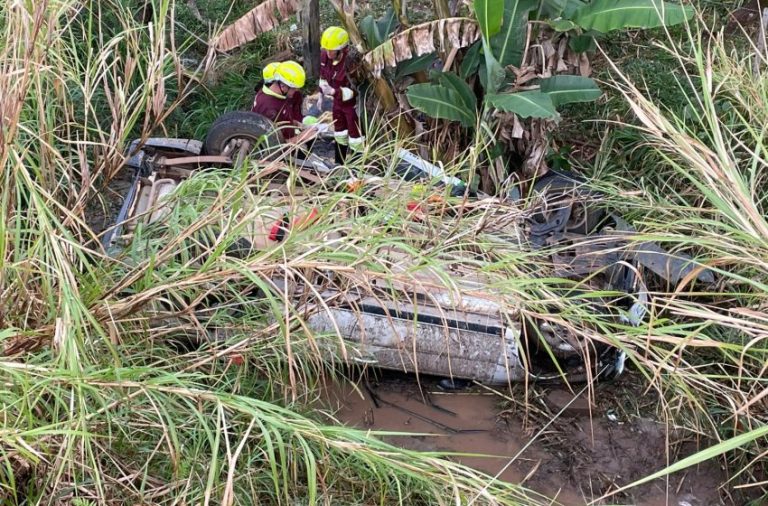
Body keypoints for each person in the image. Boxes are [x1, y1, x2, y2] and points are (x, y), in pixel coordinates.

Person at [319, 26, 364, 164]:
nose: (328, 53)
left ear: (341, 49)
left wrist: (334, 92)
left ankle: (357, 164)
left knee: (355, 137)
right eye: (326, 49)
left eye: (331, 50)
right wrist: (321, 94)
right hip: (337, 104)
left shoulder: (351, 62)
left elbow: (355, 90)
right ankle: (339, 163)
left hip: (351, 106)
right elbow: (323, 75)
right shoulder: (325, 55)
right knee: (339, 132)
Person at [251, 60, 305, 139]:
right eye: (294, 88)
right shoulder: (270, 109)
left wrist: (295, 123)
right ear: (283, 86)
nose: (296, 91)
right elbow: (278, 144)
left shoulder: (275, 94)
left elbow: (282, 120)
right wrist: (305, 136)